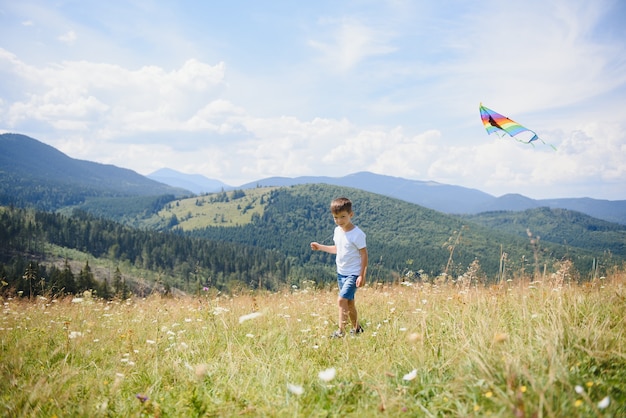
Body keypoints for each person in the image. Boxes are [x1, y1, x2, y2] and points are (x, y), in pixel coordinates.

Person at [311, 197, 368, 338]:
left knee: (341, 300)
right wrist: (320, 247)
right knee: (349, 303)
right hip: (341, 273)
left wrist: (362, 275)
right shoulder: (337, 231)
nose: (339, 220)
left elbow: (364, 255)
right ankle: (357, 328)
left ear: (351, 215)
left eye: (343, 217)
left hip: (353, 274)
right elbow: (338, 249)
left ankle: (340, 332)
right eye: (335, 218)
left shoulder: (357, 234)